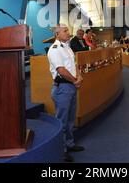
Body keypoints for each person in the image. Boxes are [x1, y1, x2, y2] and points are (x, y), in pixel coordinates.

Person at [48, 25, 85, 162]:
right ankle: (61, 150)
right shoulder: (55, 49)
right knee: (62, 121)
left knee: (70, 119)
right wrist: (75, 81)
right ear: (57, 34)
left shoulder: (67, 47)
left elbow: (74, 65)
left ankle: (69, 144)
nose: (68, 33)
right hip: (63, 88)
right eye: (65, 31)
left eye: (68, 30)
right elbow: (61, 70)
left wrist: (79, 76)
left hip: (71, 86)